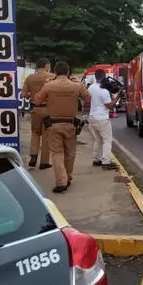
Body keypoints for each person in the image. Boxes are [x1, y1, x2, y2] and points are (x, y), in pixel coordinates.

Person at [35, 61, 90, 192]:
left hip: (54, 124)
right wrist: (79, 83)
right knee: (70, 153)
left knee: (56, 153)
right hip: (71, 124)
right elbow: (88, 97)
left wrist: (45, 84)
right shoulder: (76, 86)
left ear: (55, 72)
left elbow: (37, 100)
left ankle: (61, 180)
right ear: (68, 72)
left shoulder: (49, 85)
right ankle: (68, 177)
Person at [22, 58, 53, 169]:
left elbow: (23, 94)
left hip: (35, 109)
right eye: (49, 66)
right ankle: (44, 162)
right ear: (46, 65)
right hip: (47, 110)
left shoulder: (30, 77)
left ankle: (33, 156)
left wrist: (33, 95)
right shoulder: (51, 77)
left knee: (35, 133)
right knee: (46, 135)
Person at [87, 68, 117, 170]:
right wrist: (117, 98)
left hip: (92, 117)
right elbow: (110, 106)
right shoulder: (104, 91)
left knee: (98, 140)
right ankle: (106, 162)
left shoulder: (91, 88)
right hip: (102, 118)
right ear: (104, 77)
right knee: (107, 141)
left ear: (95, 77)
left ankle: (96, 159)